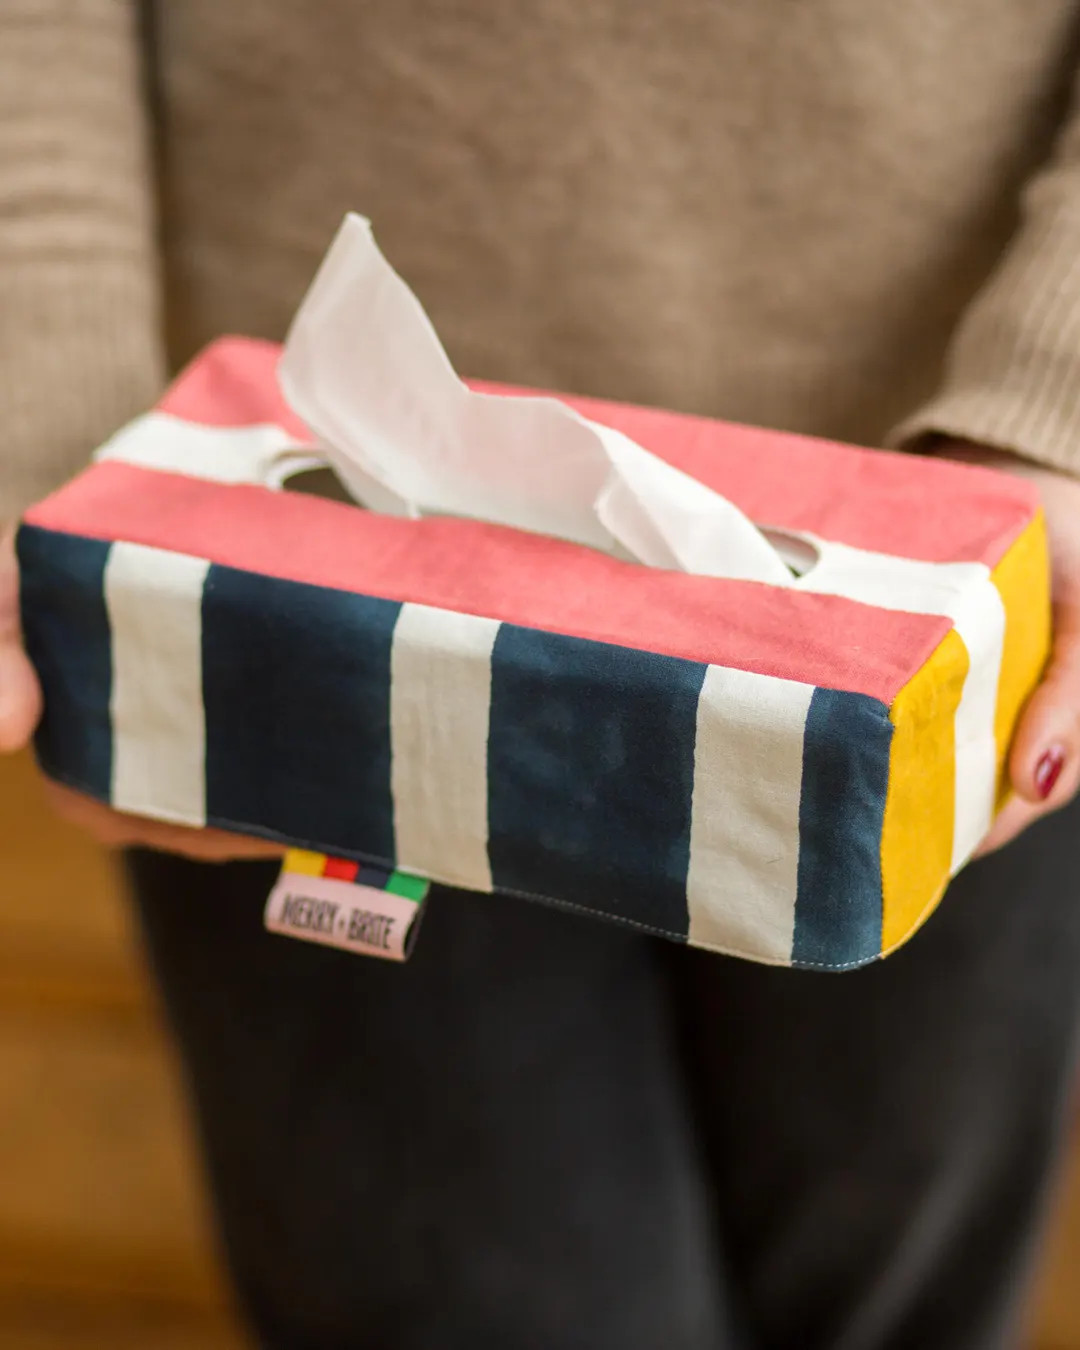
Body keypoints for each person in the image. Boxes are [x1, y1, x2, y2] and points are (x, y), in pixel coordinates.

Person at [4, 2, 1080, 1346]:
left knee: (896, 1293)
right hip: (296, 588)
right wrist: (50, 426)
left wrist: (1057, 403)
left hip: (946, 595)